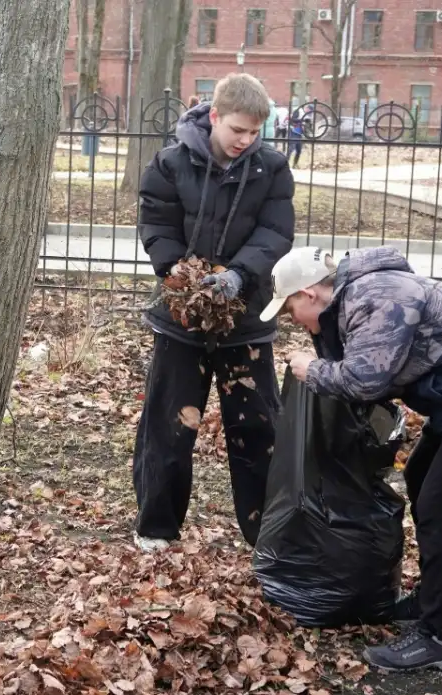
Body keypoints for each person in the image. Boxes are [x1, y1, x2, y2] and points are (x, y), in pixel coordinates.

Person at [261, 246, 442, 672]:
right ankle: (430, 602)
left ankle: (437, 640)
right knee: (419, 477)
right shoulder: (354, 299)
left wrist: (311, 369)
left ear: (308, 294)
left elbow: (363, 380)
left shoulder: (375, 296)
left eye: (289, 311)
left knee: (439, 510)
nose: (292, 322)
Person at [134, 73, 295, 552]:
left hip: (246, 319)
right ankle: (156, 529)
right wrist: (179, 275)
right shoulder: (169, 163)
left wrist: (238, 276)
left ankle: (264, 533)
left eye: (254, 133)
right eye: (237, 131)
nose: (245, 141)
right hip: (181, 320)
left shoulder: (272, 168)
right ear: (214, 117)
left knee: (257, 426)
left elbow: (274, 232)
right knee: (169, 424)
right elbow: (156, 222)